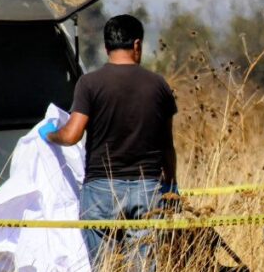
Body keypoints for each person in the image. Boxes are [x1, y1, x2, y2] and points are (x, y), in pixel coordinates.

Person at [39, 14, 179, 269]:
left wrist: (50, 134)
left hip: (101, 190)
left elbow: (71, 135)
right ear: (137, 45)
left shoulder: (89, 84)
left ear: (106, 47)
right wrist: (171, 185)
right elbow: (167, 145)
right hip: (147, 189)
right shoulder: (159, 85)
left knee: (105, 266)